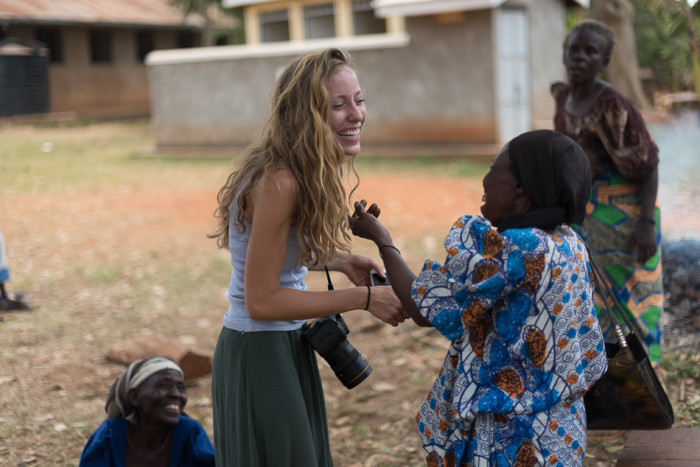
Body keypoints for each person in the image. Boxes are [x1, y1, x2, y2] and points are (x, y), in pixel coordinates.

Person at [350, 130, 608, 466]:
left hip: (514, 437)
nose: (484, 181)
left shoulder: (518, 248)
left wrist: (382, 240)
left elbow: (425, 309)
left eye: (492, 167)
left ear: (520, 187)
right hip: (561, 430)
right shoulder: (569, 242)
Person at [208, 48, 405, 466]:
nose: (356, 114)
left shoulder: (289, 170)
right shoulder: (280, 181)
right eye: (338, 105)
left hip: (280, 345)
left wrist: (340, 262)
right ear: (305, 115)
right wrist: (365, 299)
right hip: (260, 351)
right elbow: (261, 301)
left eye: (359, 99)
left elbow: (267, 254)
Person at [551, 19, 664, 364]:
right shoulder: (563, 97)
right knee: (586, 291)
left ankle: (645, 372)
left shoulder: (614, 104)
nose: (580, 57)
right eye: (574, 49)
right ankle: (603, 370)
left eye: (591, 51)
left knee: (629, 291)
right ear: (564, 54)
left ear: (604, 62)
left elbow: (649, 163)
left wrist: (646, 222)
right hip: (586, 209)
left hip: (627, 211)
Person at [79, 356, 215, 466]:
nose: (176, 394)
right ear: (134, 397)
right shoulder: (110, 436)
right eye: (164, 385)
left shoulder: (190, 434)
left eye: (181, 388)